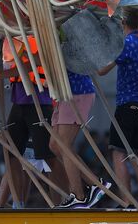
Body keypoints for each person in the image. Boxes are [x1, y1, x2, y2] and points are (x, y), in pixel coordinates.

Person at [98, 5, 138, 209]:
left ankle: (127, 201)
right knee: (135, 152)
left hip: (128, 106)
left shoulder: (124, 44)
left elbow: (102, 70)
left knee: (118, 153)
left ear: (123, 22)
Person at [1, 36, 67, 206]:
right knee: (11, 154)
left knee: (49, 156)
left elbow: (31, 64)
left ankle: (60, 202)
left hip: (40, 102)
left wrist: (1, 74)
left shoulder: (42, 34)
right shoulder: (12, 34)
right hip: (19, 101)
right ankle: (18, 203)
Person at [49, 70, 111, 208]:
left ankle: (79, 195)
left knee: (64, 145)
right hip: (62, 94)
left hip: (76, 91)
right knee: (55, 145)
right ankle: (95, 183)